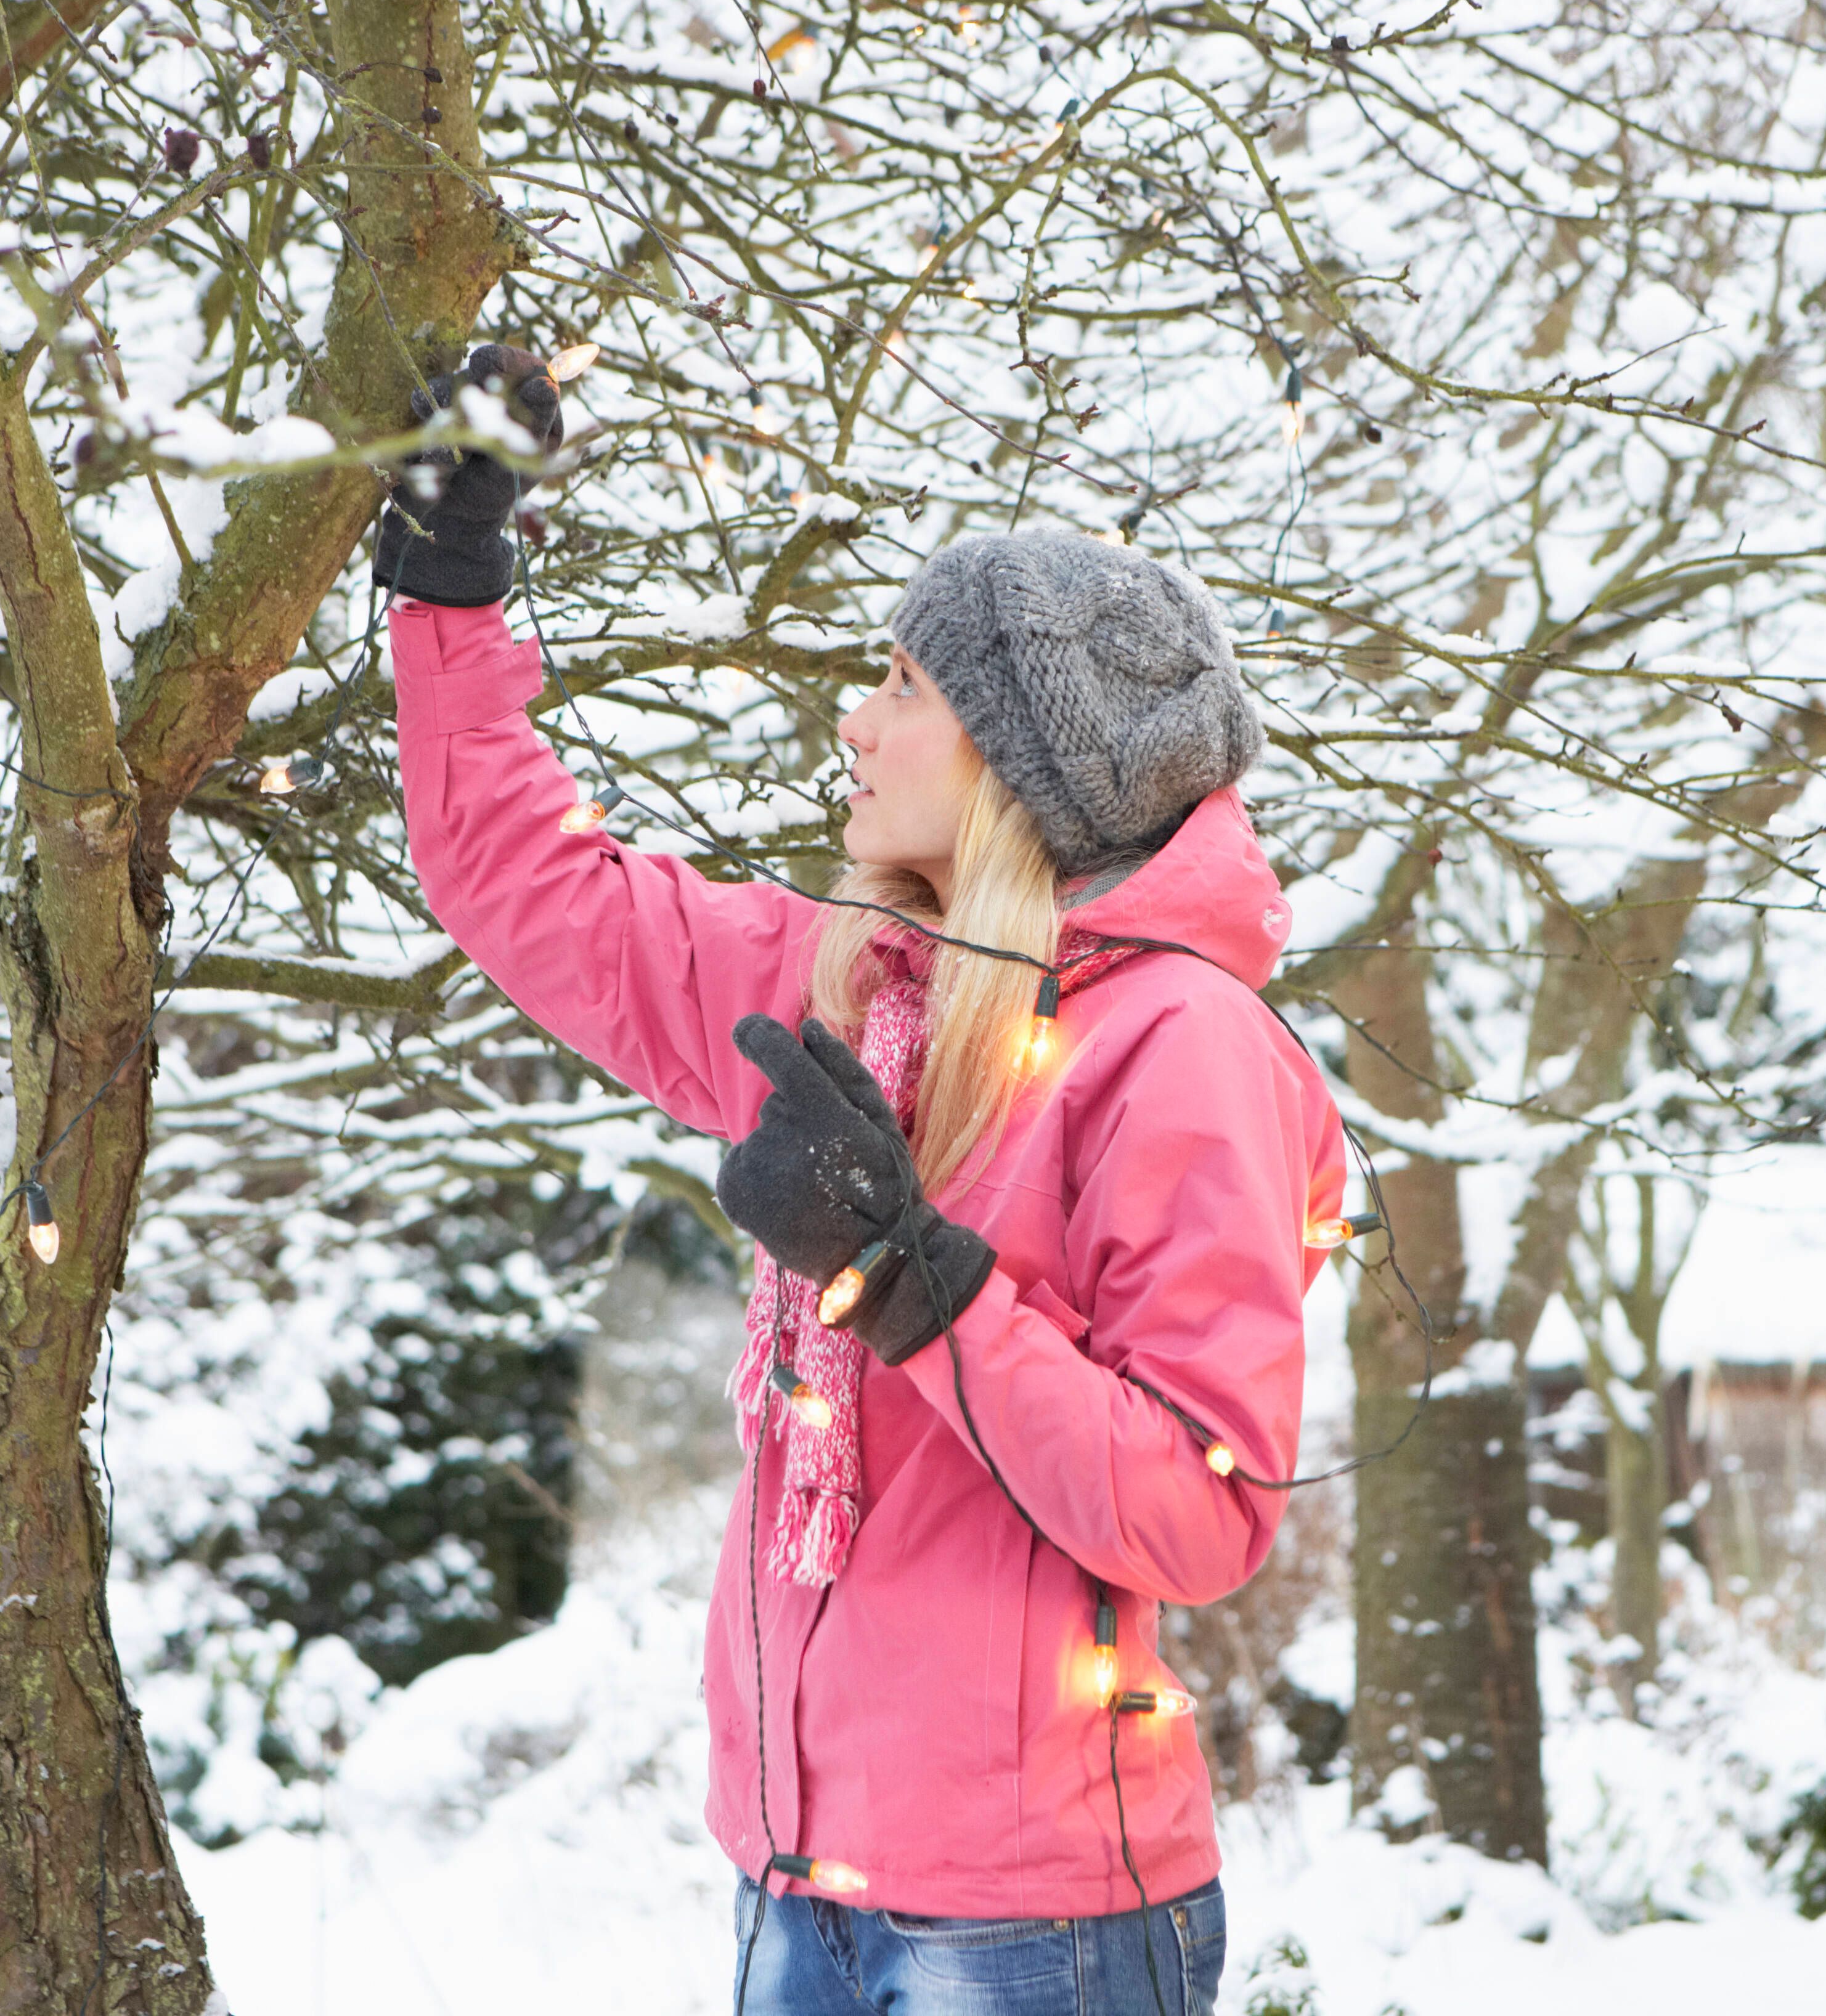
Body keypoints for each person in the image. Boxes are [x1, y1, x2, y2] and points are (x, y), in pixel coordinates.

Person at [378, 348, 1346, 2015]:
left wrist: (913, 1282)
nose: (854, 717)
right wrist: (452, 595)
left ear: (1014, 763)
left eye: (902, 684)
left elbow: (1202, 1509)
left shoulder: (1179, 1046)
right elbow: (525, 883)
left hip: (1035, 1928)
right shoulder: (845, 988)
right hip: (795, 1886)